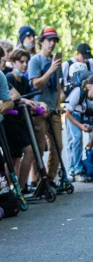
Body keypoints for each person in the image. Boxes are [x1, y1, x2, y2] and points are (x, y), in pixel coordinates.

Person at [28, 27, 64, 182]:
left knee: (58, 146)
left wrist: (58, 104)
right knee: (40, 147)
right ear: (41, 41)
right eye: (49, 40)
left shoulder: (55, 61)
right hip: (39, 109)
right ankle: (37, 180)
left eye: (54, 40)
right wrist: (50, 69)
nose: (52, 44)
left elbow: (57, 86)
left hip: (53, 108)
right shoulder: (35, 61)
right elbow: (36, 85)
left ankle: (49, 179)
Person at [1, 48, 35, 191]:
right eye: (21, 62)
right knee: (14, 157)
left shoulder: (3, 77)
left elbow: (14, 97)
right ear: (13, 63)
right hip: (10, 122)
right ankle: (15, 188)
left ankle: (17, 190)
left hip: (11, 121)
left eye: (27, 62)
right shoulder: (9, 76)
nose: (25, 65)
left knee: (14, 157)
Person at [64, 74, 93, 180]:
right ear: (89, 86)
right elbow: (67, 114)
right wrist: (80, 126)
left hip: (90, 117)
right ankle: (75, 170)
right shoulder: (78, 93)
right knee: (76, 139)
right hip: (74, 116)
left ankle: (89, 163)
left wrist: (92, 141)